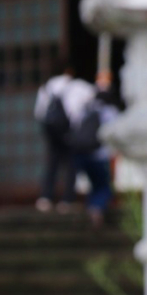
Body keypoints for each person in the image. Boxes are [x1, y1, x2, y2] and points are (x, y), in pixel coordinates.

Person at [34, 64, 96, 212]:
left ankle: (45, 198)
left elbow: (39, 113)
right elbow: (93, 97)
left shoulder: (46, 87)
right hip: (69, 131)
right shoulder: (77, 85)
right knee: (71, 165)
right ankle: (67, 200)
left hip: (51, 132)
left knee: (52, 164)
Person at [67, 88, 119, 226]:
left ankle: (83, 204)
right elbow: (114, 133)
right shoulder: (109, 111)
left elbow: (73, 126)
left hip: (80, 154)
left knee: (92, 184)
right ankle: (96, 209)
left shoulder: (85, 109)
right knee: (103, 186)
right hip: (99, 156)